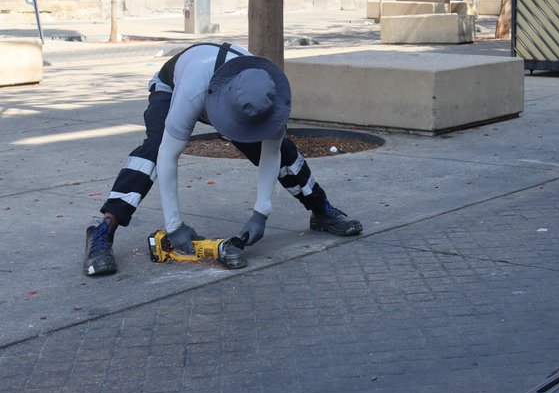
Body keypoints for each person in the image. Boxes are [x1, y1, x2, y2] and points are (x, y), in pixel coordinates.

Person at [83, 42, 362, 277]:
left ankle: (321, 210)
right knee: (154, 150)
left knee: (286, 151)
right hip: (174, 87)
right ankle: (103, 232)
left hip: (225, 93)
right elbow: (169, 156)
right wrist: (174, 225)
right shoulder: (193, 89)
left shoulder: (269, 96)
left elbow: (272, 153)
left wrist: (260, 213)